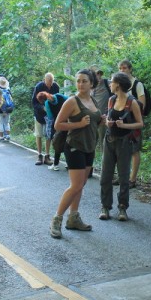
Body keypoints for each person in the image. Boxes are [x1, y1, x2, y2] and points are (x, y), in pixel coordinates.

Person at [49, 69, 104, 239]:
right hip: (74, 147)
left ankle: (73, 218)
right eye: (78, 81)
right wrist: (78, 124)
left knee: (81, 185)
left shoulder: (92, 100)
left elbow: (95, 120)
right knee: (75, 185)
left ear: (92, 83)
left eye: (84, 81)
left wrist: (103, 121)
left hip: (89, 147)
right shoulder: (72, 102)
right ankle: (56, 220)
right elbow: (58, 125)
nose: (80, 84)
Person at [99, 72, 144, 222]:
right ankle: (105, 207)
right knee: (106, 175)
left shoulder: (132, 102)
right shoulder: (112, 100)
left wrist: (124, 125)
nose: (110, 84)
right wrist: (108, 122)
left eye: (112, 82)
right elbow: (108, 119)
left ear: (117, 84)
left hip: (125, 142)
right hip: (109, 140)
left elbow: (140, 123)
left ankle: (122, 208)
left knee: (124, 177)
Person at [118, 59, 145, 188]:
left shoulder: (137, 85)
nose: (122, 70)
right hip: (121, 123)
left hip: (134, 123)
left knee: (134, 151)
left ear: (130, 69)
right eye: (120, 68)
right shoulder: (120, 85)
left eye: (124, 68)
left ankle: (132, 179)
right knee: (122, 151)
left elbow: (142, 104)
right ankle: (122, 177)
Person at [32, 73, 60, 166]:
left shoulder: (55, 86)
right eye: (48, 83)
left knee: (49, 135)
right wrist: (42, 108)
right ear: (44, 80)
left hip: (50, 115)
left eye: (51, 83)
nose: (49, 85)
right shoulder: (39, 86)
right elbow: (34, 102)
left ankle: (47, 156)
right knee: (39, 134)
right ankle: (39, 155)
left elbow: (57, 100)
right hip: (39, 115)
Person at [37, 91, 69, 171]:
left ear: (42, 101)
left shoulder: (47, 103)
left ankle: (56, 164)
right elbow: (70, 101)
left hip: (58, 124)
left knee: (57, 143)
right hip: (68, 122)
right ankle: (69, 164)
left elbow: (50, 117)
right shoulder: (59, 96)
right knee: (68, 143)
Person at [0, 76, 12, 141]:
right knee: (7, 122)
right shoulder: (8, 90)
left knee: (0, 122)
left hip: (0, 109)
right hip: (8, 109)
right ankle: (8, 135)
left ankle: (1, 136)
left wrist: (2, 110)